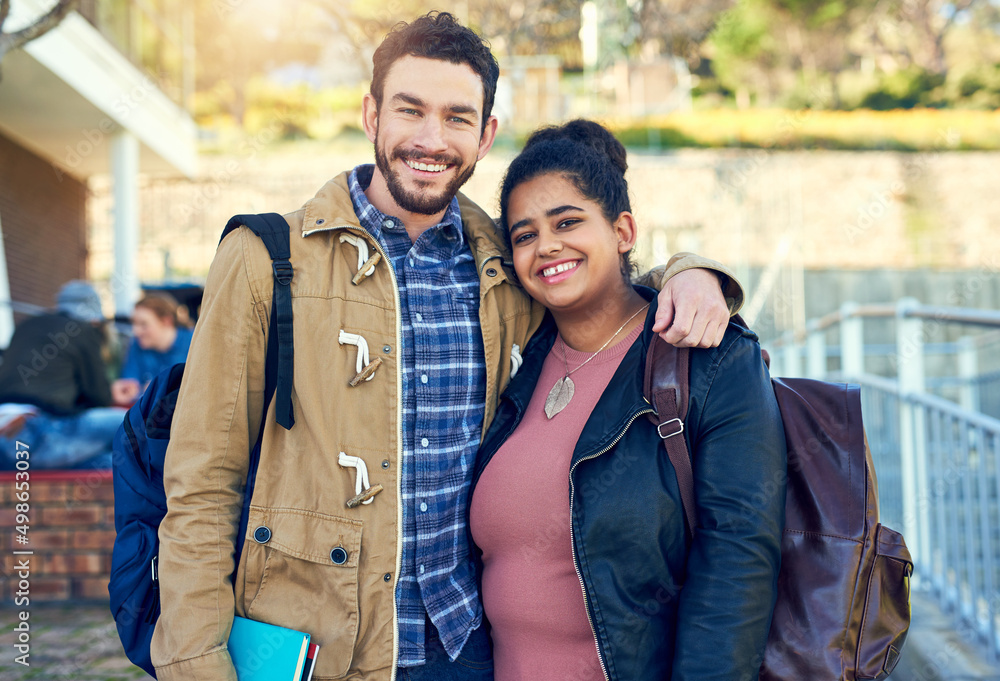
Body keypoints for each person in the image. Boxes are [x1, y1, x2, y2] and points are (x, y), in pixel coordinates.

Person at [150, 13, 745, 681]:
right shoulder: (267, 259)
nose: (432, 140)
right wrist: (196, 662)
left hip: (467, 650)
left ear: (486, 133)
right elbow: (201, 481)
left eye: (458, 118)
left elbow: (596, 281)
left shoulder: (507, 261)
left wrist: (691, 272)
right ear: (371, 113)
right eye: (411, 111)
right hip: (316, 653)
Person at [469, 120, 787, 681]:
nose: (547, 246)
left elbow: (738, 563)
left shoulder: (711, 359)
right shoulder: (517, 361)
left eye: (568, 222)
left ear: (623, 231)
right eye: (524, 235)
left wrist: (694, 275)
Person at [0, 280, 126, 470]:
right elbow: (99, 397)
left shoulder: (27, 325)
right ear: (93, 316)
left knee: (106, 461)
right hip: (40, 431)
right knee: (134, 421)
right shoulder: (83, 330)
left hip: (7, 439)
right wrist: (111, 392)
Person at [111, 293, 193, 406]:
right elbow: (130, 383)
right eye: (134, 324)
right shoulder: (137, 345)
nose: (136, 331)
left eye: (143, 324)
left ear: (166, 321)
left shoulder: (194, 343)